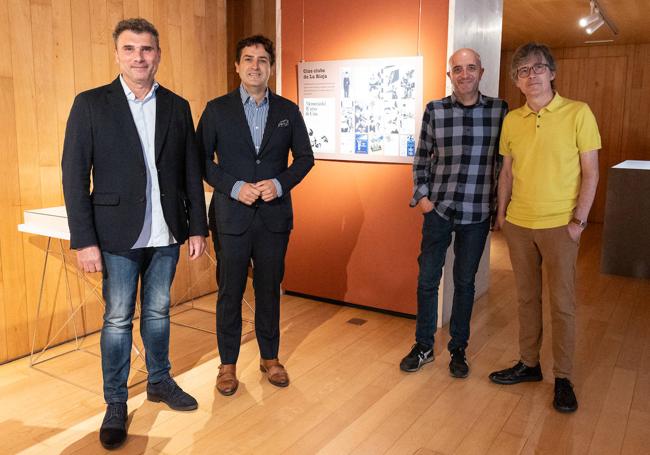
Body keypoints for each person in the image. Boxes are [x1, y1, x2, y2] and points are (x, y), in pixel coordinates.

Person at [62, 18, 208, 450]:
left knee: (160, 312)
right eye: (130, 49)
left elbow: (190, 172)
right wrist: (85, 240)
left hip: (166, 232)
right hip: (115, 235)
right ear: (117, 54)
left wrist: (198, 227)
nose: (139, 57)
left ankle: (160, 380)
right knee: (118, 318)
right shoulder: (90, 104)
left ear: (158, 54)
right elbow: (74, 176)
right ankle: (115, 403)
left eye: (147, 49)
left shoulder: (178, 106)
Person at [197, 35, 314, 396]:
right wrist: (233, 186)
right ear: (237, 66)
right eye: (248, 59)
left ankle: (270, 357)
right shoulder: (217, 109)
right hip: (231, 217)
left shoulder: (288, 111)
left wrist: (279, 184)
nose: (255, 66)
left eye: (262, 60)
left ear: (271, 67)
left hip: (274, 218)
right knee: (229, 292)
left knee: (268, 290)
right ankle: (227, 365)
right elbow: (200, 161)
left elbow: (305, 158)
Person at [488, 42, 600, 413]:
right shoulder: (511, 120)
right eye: (522, 71)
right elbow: (506, 171)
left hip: (559, 225)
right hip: (519, 223)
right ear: (516, 82)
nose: (531, 75)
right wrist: (502, 213)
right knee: (525, 297)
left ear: (551, 72)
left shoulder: (578, 113)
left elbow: (591, 171)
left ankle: (563, 377)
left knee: (562, 303)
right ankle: (529, 364)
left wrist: (579, 221)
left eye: (537, 68)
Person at [400, 49, 508, 378]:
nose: (464, 74)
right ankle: (423, 346)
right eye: (457, 69)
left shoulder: (499, 111)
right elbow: (421, 158)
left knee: (464, 283)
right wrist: (423, 198)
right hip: (439, 210)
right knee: (427, 280)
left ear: (481, 71)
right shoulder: (435, 110)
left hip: (476, 213)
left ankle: (457, 349)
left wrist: (500, 209)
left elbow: (505, 163)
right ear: (450, 75)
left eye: (470, 68)